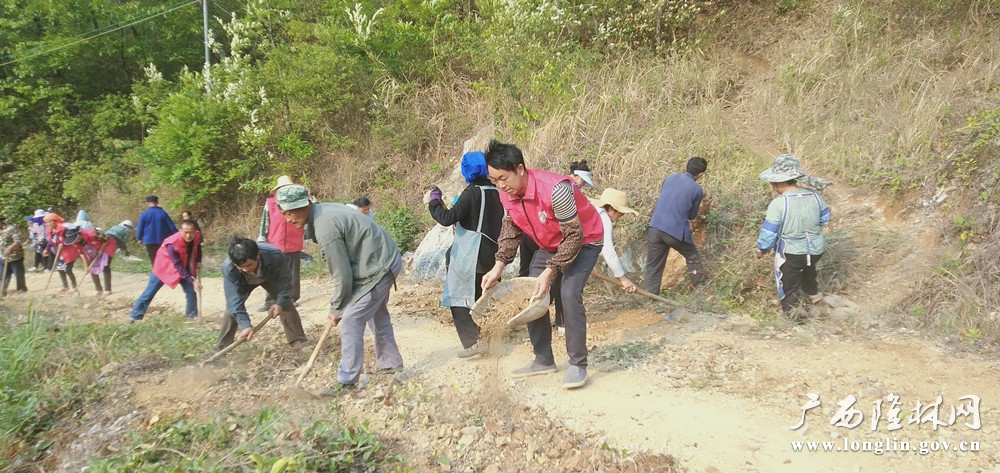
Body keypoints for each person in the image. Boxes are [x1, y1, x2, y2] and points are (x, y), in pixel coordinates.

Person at [481, 140, 604, 389]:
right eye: (494, 181)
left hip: (585, 240)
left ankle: (578, 364)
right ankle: (543, 359)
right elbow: (511, 229)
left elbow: (574, 236)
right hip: (550, 243)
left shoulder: (556, 190)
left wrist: (550, 271)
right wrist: (498, 266)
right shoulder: (507, 195)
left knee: (569, 295)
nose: (500, 185)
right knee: (531, 293)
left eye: (503, 178)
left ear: (520, 169)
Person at [275, 184, 403, 395]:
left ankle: (347, 381)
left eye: (290, 212)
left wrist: (337, 308)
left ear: (304, 205)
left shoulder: (326, 227)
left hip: (379, 265)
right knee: (376, 314)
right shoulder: (322, 212)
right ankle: (391, 364)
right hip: (382, 259)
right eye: (284, 214)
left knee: (352, 317)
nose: (288, 218)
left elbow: (342, 276)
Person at [427, 151, 503, 358]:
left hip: (470, 254)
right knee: (482, 299)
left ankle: (473, 343)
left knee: (459, 299)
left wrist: (434, 201)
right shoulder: (497, 190)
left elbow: (447, 218)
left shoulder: (473, 192)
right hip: (493, 255)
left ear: (466, 170)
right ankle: (489, 338)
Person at [517, 160, 596, 329]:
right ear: (579, 178)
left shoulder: (553, 183)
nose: (583, 185)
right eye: (583, 181)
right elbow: (570, 229)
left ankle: (527, 313)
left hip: (531, 235)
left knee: (531, 276)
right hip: (548, 239)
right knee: (558, 279)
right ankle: (559, 321)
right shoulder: (566, 188)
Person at [756, 154, 831, 319]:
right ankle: (814, 297)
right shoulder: (815, 196)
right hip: (816, 249)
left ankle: (794, 317)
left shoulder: (779, 204)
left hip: (790, 252)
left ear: (778, 182)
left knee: (787, 283)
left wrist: (762, 249)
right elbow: (825, 218)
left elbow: (769, 233)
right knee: (808, 267)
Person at [215, 237, 311, 352]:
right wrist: (245, 325)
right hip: (243, 281)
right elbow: (234, 301)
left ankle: (299, 341)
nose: (245, 269)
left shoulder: (274, 255)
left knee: (285, 303)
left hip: (269, 275)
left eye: (249, 265)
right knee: (232, 310)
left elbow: (285, 283)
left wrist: (279, 303)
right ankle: (222, 348)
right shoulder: (229, 267)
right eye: (240, 267)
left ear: (258, 256)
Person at [644, 157, 708, 294]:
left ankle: (648, 298)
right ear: (700, 174)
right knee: (692, 256)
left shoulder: (670, 178)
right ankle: (701, 292)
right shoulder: (697, 190)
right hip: (674, 231)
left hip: (655, 227)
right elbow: (691, 216)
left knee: (653, 265)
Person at [128, 220, 202, 321]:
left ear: (195, 231)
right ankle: (135, 316)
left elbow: (197, 248)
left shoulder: (197, 236)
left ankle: (191, 315)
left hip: (183, 267)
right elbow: (178, 265)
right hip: (164, 268)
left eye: (191, 232)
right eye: (185, 232)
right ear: (180, 231)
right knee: (149, 292)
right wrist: (192, 280)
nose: (188, 235)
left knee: (190, 291)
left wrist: (198, 260)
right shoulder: (172, 243)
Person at [257, 176, 305, 311]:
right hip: (274, 243)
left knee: (292, 273)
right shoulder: (271, 204)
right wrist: (262, 239)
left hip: (293, 243)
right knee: (271, 273)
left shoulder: (300, 203)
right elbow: (264, 222)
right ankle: (270, 301)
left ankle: (291, 298)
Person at [589, 188, 640, 293]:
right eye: (619, 215)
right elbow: (608, 251)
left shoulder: (592, 210)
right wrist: (623, 278)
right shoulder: (603, 218)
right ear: (612, 209)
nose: (618, 219)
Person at [43, 213, 81, 294]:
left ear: (55, 221)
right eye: (46, 222)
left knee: (68, 270)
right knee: (60, 269)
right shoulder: (49, 230)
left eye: (49, 221)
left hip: (69, 251)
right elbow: (51, 241)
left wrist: (63, 244)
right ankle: (65, 286)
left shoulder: (63, 229)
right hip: (59, 252)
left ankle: (74, 287)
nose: (48, 224)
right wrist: (46, 249)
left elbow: (70, 239)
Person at [136, 195, 177, 265]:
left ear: (147, 203)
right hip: (162, 239)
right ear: (157, 202)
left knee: (153, 257)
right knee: (163, 257)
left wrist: (139, 238)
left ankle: (155, 273)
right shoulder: (163, 213)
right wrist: (177, 236)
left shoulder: (144, 214)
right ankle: (163, 272)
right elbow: (171, 226)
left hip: (149, 240)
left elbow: (140, 227)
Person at [77, 227, 116, 296]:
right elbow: (82, 254)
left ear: (79, 234)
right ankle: (98, 289)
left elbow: (106, 239)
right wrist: (86, 267)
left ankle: (107, 289)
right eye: (75, 240)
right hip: (93, 249)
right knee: (92, 268)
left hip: (107, 245)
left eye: (77, 238)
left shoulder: (93, 233)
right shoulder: (75, 242)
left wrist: (101, 249)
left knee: (105, 266)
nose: (77, 240)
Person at [0, 216, 27, 294]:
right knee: (2, 275)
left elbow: (18, 240)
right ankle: (2, 291)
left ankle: (21, 290)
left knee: (18, 275)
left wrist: (10, 249)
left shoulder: (10, 228)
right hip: (2, 257)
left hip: (15, 256)